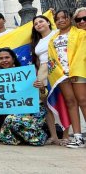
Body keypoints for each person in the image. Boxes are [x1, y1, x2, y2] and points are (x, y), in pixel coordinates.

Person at [48, 10, 86, 148]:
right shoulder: (53, 39)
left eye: (64, 18)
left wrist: (74, 70)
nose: (60, 21)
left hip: (77, 72)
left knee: (83, 101)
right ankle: (77, 137)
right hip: (62, 75)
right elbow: (52, 58)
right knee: (70, 102)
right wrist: (58, 73)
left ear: (70, 19)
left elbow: (82, 52)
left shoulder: (81, 34)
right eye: (57, 19)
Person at [0, 48, 48, 146]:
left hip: (33, 112)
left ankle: (39, 137)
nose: (4, 60)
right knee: (1, 136)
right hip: (15, 113)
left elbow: (43, 96)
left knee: (10, 119)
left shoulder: (26, 74)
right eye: (1, 58)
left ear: (13, 59)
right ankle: (25, 137)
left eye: (7, 57)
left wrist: (41, 88)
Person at [31, 15, 68, 145]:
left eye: (41, 21)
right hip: (42, 71)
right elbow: (38, 60)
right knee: (46, 104)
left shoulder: (57, 34)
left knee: (62, 101)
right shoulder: (37, 42)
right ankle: (53, 136)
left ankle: (65, 135)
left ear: (48, 22)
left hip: (57, 70)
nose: (39, 24)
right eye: (36, 24)